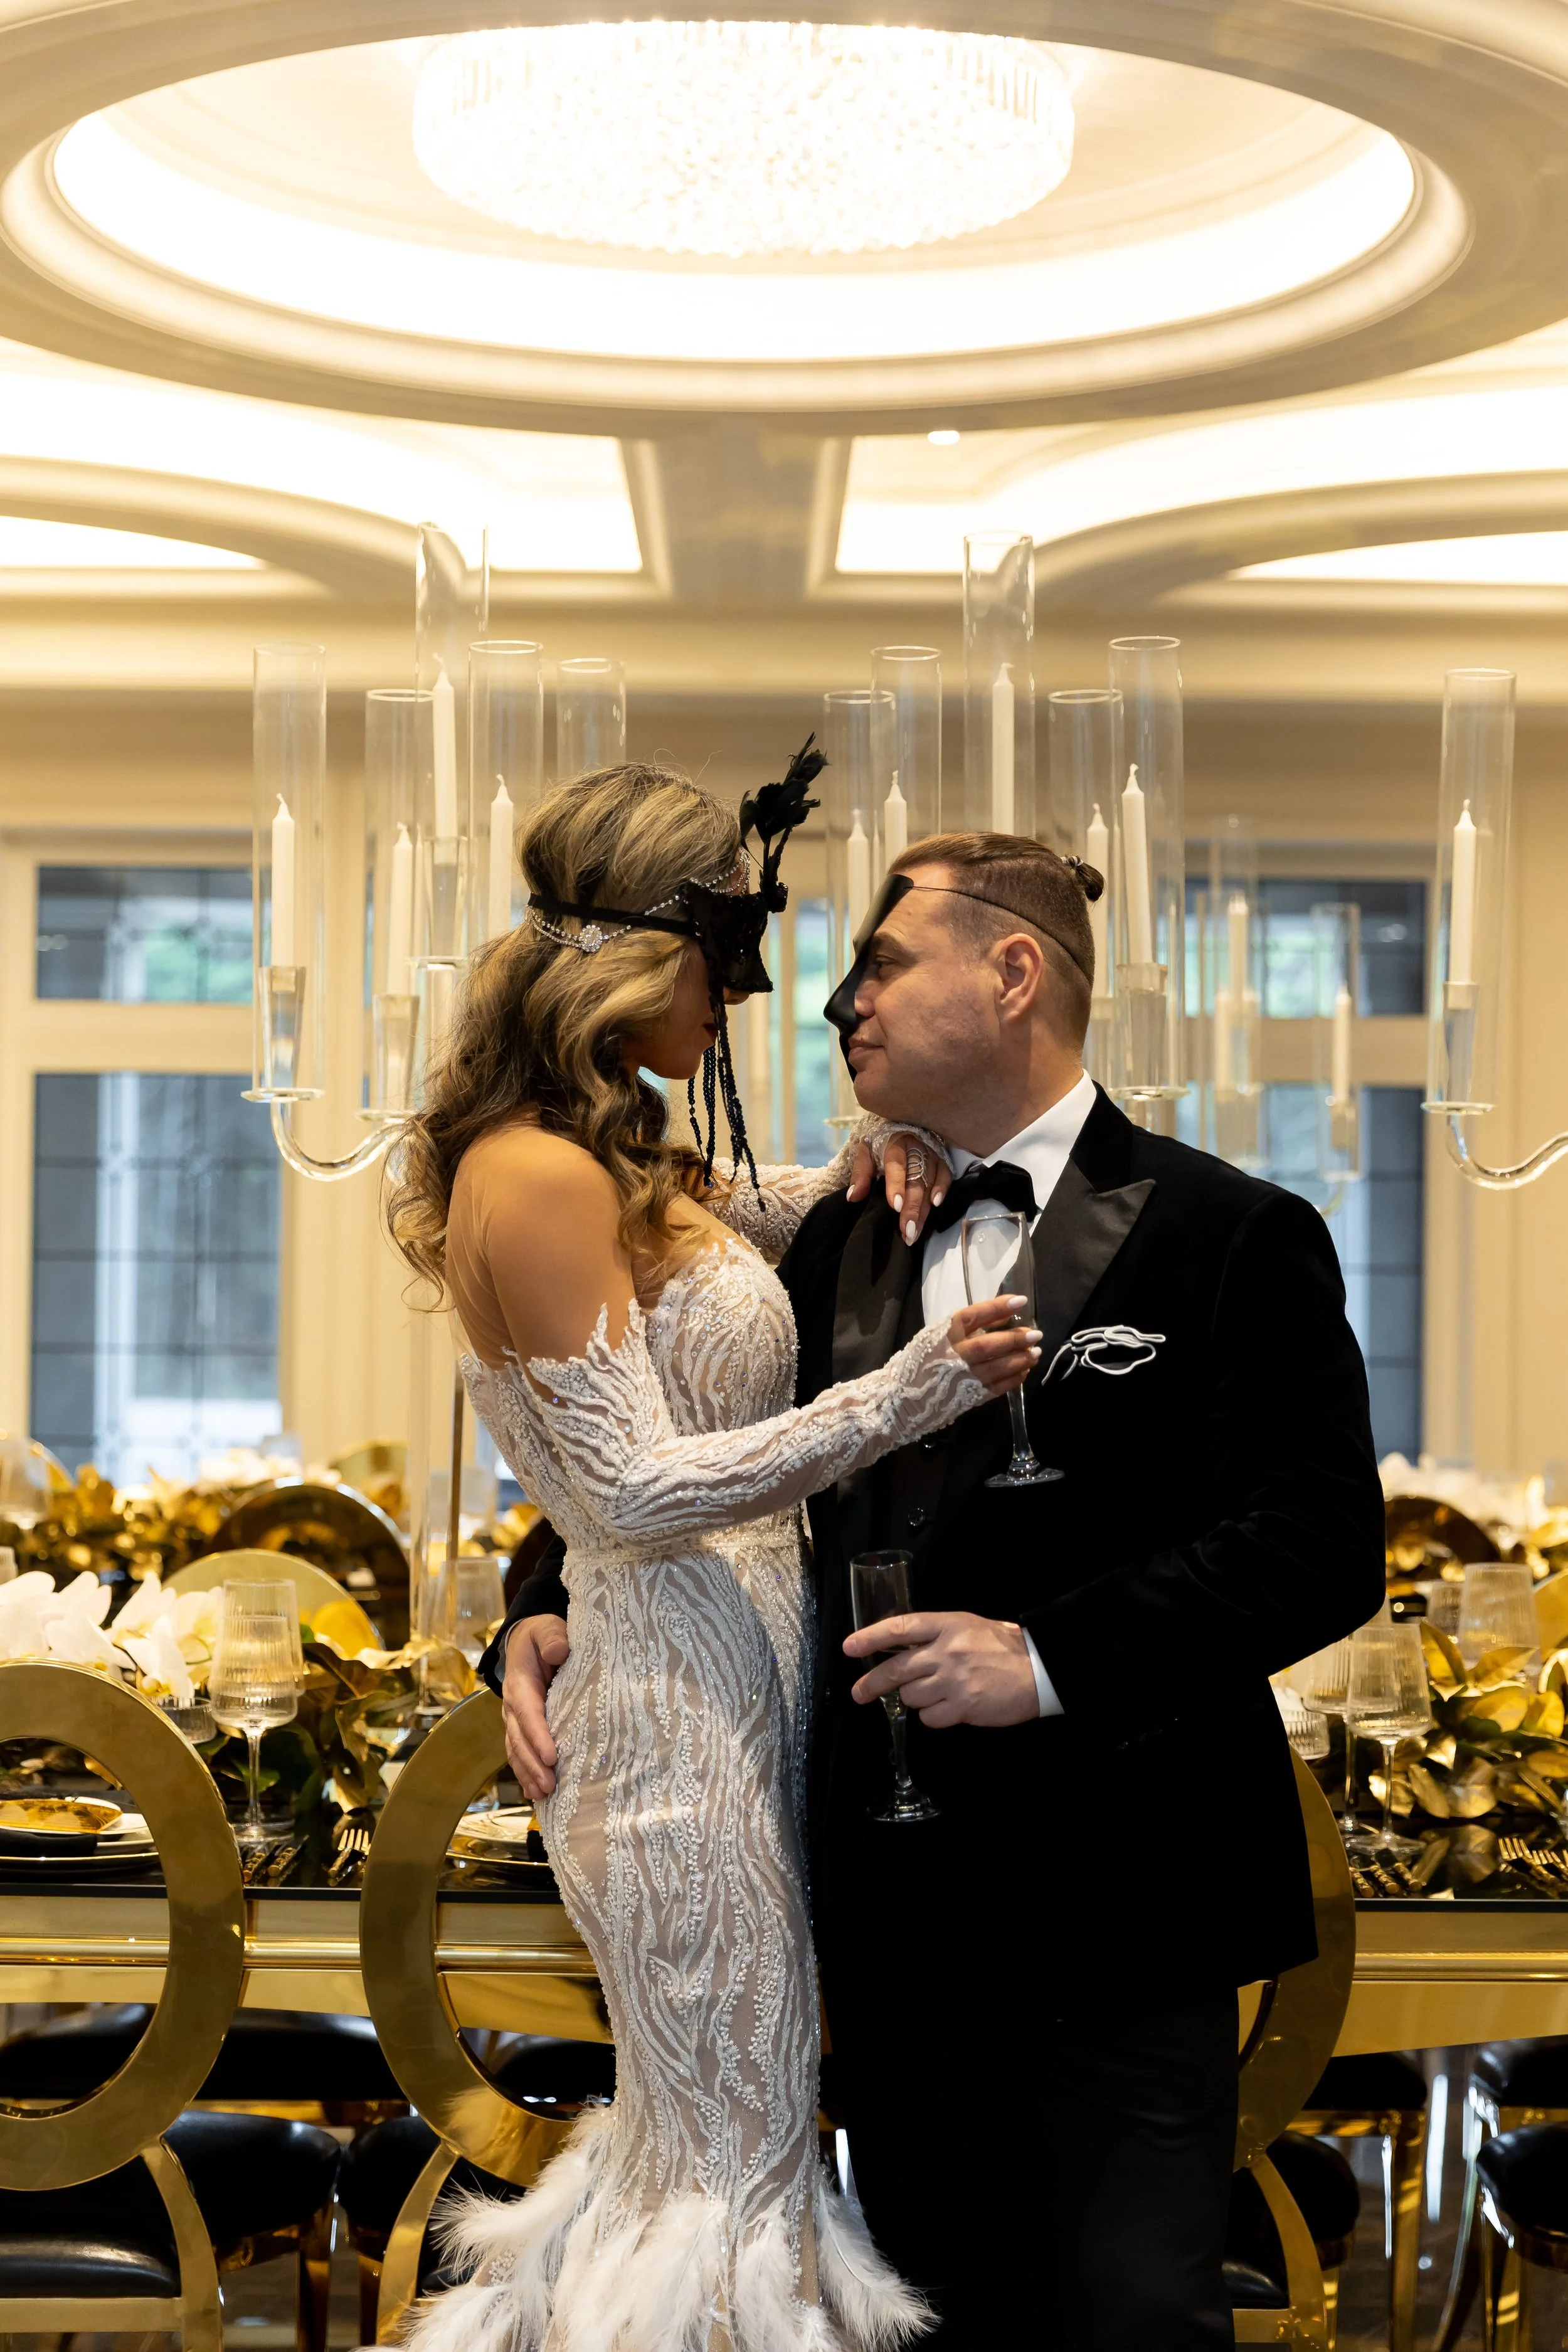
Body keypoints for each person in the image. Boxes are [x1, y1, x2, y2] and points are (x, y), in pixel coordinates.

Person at [501, 829, 1386, 2348]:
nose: (838, 1001)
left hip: (1125, 1893)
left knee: (1130, 2319)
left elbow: (1316, 1544)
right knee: (926, 2323)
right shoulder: (832, 1232)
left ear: (1013, 970)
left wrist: (1040, 1658)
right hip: (878, 1901)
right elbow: (672, 1439)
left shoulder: (1229, 1233)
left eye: (882, 963)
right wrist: (532, 1599)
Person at [387, 761, 1039, 2352]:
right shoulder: (532, 1172)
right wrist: (907, 1393)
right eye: (726, 958)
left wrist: (873, 1157)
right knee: (729, 2174)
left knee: (728, 2160)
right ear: (647, 951)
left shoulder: (613, 1164)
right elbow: (629, 1490)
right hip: (668, 1731)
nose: (745, 1000)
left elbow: (748, 1241)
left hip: (740, 1707)